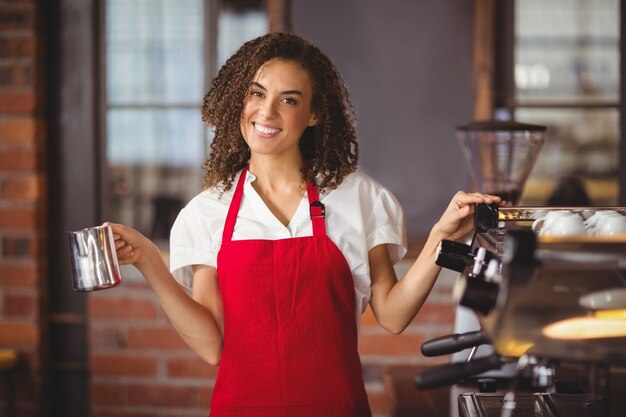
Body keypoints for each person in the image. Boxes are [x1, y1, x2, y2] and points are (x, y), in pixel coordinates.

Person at [108, 32, 503, 417]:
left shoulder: (357, 196)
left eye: (289, 100)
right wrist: (149, 261)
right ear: (238, 99)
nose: (266, 112)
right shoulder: (207, 211)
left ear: (314, 113)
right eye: (257, 93)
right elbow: (213, 347)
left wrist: (440, 238)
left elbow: (393, 315)